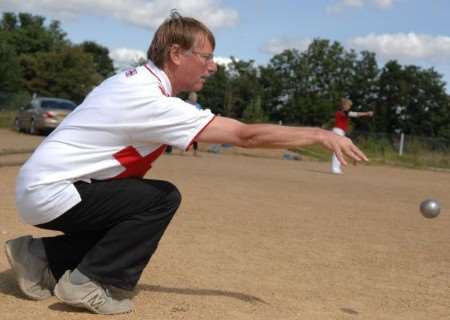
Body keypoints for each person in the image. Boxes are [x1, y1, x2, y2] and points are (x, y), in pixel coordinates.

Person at [5, 12, 368, 315]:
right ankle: (90, 283)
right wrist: (320, 135)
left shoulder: (134, 81)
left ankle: (40, 257)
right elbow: (246, 136)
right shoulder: (151, 100)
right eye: (206, 57)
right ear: (176, 54)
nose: (212, 67)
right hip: (54, 190)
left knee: (131, 208)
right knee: (159, 199)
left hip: (50, 187)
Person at [331, 98, 374, 174]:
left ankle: (351, 159)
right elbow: (354, 114)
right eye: (348, 105)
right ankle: (335, 168)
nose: (349, 107)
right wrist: (367, 113)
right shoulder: (342, 112)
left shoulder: (343, 112)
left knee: (343, 148)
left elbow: (351, 114)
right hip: (338, 131)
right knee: (338, 149)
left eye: (349, 106)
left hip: (340, 132)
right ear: (344, 105)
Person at [185, 92, 202, 156]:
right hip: (186, 122)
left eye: (195, 97)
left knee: (195, 137)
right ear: (190, 97)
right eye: (193, 97)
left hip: (195, 123)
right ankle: (182, 150)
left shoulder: (198, 105)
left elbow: (200, 113)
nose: (195, 98)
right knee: (185, 136)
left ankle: (195, 151)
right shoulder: (185, 103)